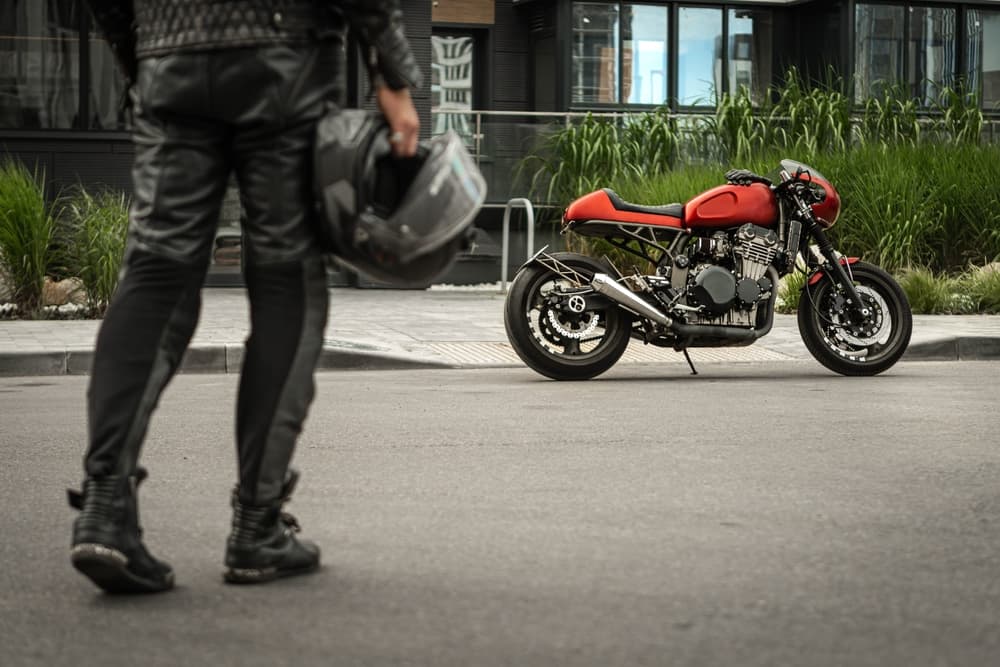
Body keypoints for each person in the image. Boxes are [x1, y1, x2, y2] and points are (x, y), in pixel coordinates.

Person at [68, 0, 422, 594]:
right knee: (287, 280)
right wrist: (393, 73)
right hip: (284, 58)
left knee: (156, 268)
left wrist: (146, 57)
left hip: (168, 58)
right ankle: (256, 529)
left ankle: (105, 506)